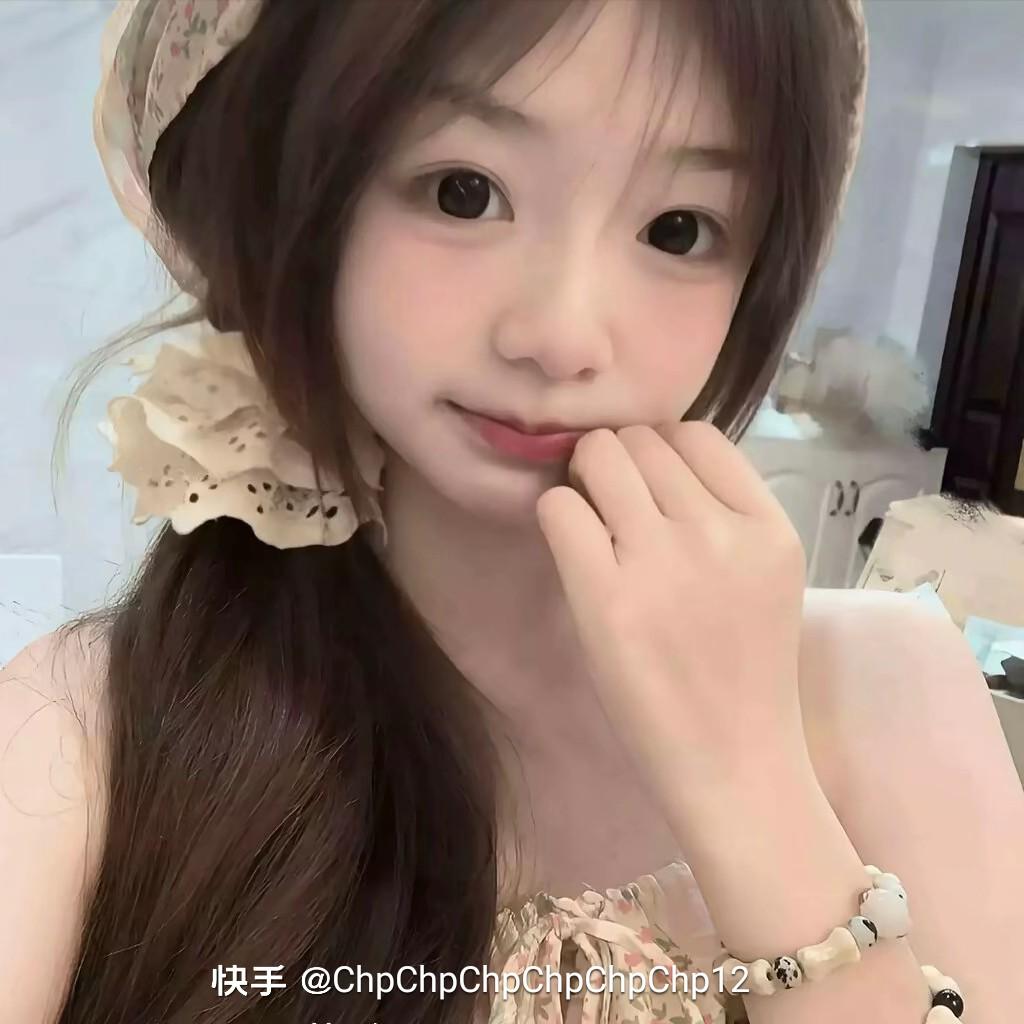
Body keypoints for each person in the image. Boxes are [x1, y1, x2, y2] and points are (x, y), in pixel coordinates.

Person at [2, 0, 1021, 1021]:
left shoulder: (892, 684)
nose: (563, 336)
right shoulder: (86, 736)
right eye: (463, 192)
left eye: (679, 229)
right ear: (291, 210)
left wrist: (751, 781)